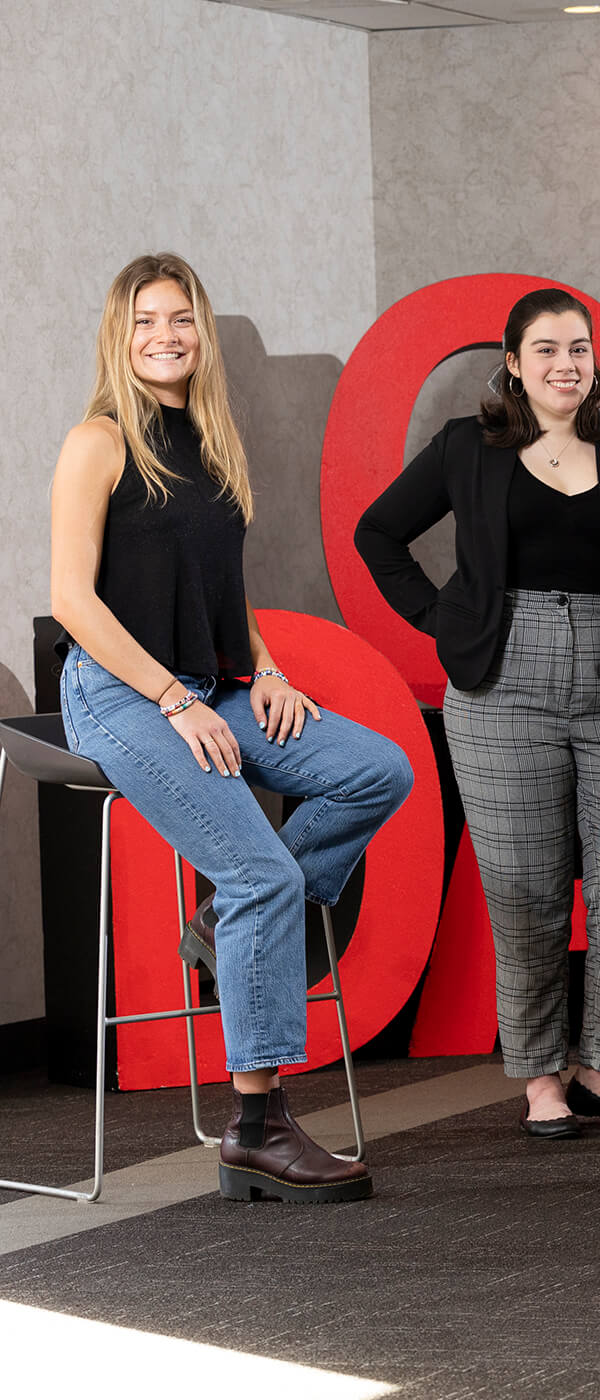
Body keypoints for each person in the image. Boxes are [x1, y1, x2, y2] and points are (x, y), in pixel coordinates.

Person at [49, 253, 414, 1203]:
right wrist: (173, 703)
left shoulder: (210, 443)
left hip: (215, 681)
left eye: (180, 319)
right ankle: (257, 1126)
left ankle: (227, 923)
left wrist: (269, 671)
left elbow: (221, 590)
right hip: (122, 693)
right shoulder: (99, 440)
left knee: (377, 767)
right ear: (117, 336)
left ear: (201, 333)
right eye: (145, 321)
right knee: (263, 869)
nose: (165, 336)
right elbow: (72, 601)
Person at [356, 288, 600, 1139]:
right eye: (545, 350)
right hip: (501, 682)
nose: (565, 365)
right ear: (513, 362)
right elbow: (378, 535)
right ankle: (542, 1078)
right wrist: (447, 621)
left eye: (578, 349)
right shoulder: (469, 446)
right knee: (525, 890)